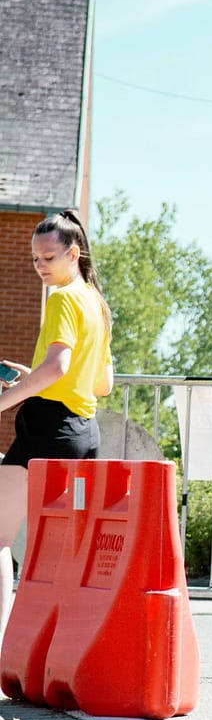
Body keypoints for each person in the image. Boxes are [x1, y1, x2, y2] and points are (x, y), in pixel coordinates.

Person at [0, 209, 115, 558]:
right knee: (69, 550)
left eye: (49, 257)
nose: (40, 266)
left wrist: (4, 401)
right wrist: (34, 375)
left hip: (47, 428)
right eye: (35, 258)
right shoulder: (97, 303)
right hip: (83, 433)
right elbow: (102, 384)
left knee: (1, 536)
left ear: (73, 253)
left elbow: (56, 368)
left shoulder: (63, 298)